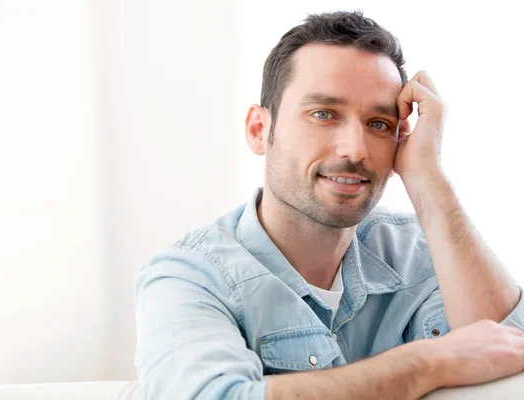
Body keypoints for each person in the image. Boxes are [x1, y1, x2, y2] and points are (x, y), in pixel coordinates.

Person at [134, 11, 524, 400]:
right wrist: (427, 362)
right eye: (323, 114)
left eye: (378, 124)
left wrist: (429, 180)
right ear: (259, 130)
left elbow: (509, 350)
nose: (355, 149)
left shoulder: (418, 253)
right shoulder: (190, 276)